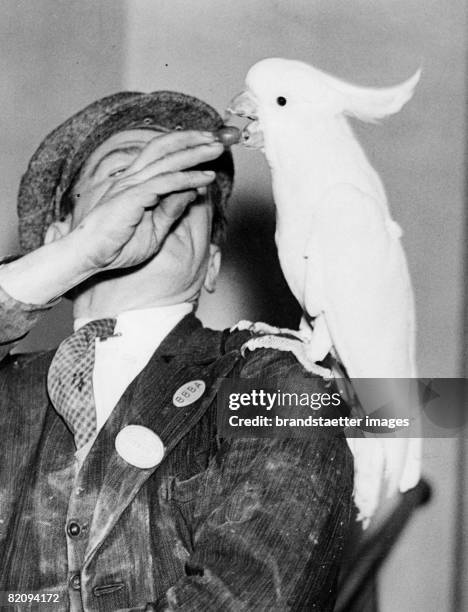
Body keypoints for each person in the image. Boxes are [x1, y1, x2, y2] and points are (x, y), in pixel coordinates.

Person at [0, 90, 353, 611]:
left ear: (212, 262)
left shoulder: (274, 382)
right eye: (124, 173)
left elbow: (251, 595)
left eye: (185, 184)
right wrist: (70, 258)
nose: (156, 197)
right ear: (59, 237)